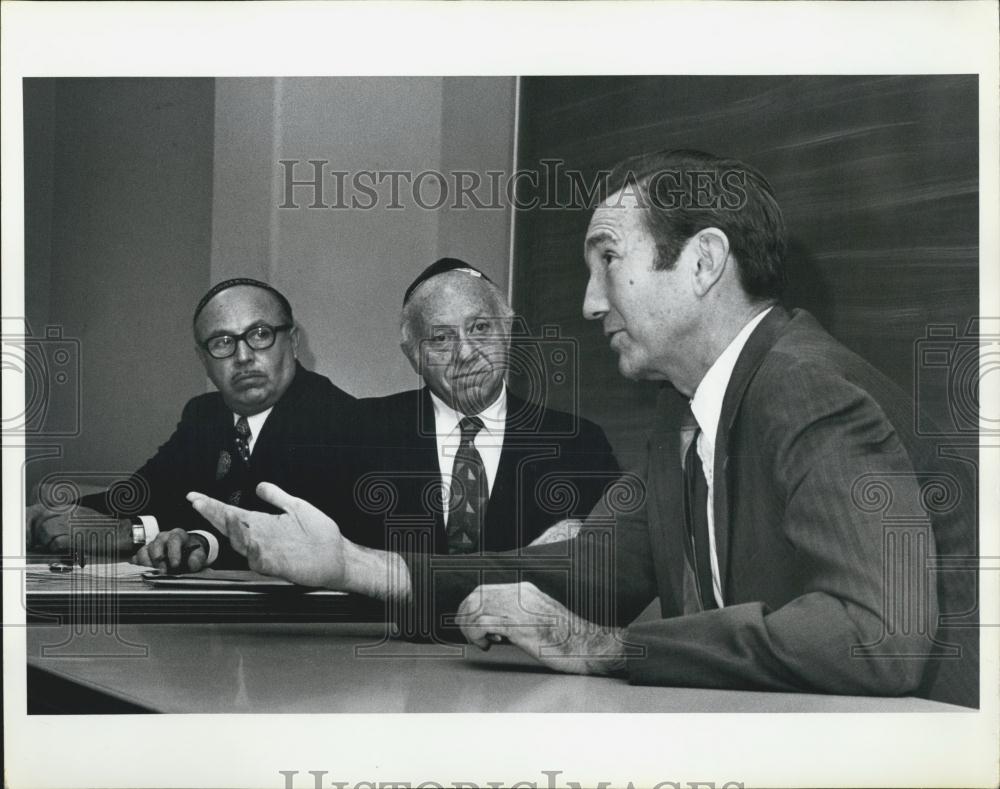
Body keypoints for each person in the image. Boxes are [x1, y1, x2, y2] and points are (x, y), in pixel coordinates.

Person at [187, 152, 977, 707]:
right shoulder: (687, 408)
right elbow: (589, 571)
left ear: (703, 263)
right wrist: (354, 564)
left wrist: (610, 648)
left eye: (609, 262)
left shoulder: (805, 389)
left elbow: (879, 636)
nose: (592, 302)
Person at [26, 278, 362, 571]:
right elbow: (145, 493)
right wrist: (49, 514)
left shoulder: (337, 418)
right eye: (222, 342)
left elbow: (281, 533)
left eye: (260, 334)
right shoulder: (204, 414)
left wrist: (132, 533)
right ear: (203, 360)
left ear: (293, 342)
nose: (243, 357)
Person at [357, 258, 620, 553]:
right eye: (442, 337)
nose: (466, 353)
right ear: (414, 356)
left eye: (480, 327)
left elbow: (618, 568)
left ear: (506, 331)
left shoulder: (580, 445)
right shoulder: (361, 433)